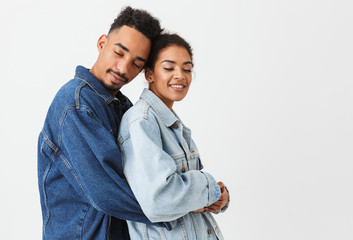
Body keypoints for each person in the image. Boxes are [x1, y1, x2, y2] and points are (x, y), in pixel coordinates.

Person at [37, 7, 169, 239]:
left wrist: (201, 192)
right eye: (119, 52)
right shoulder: (75, 104)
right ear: (102, 43)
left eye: (136, 64)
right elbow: (105, 192)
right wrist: (178, 209)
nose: (123, 68)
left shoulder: (126, 108)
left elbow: (153, 172)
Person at [118, 33, 229, 240]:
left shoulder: (171, 124)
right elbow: (160, 199)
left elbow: (187, 199)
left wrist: (218, 197)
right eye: (169, 68)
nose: (180, 75)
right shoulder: (141, 122)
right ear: (149, 74)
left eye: (187, 69)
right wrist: (208, 187)